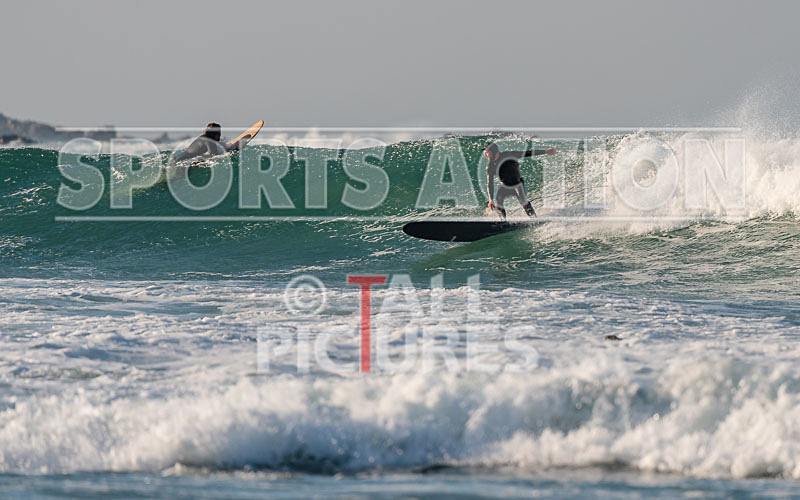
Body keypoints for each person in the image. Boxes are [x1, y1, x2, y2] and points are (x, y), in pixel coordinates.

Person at [484, 142, 556, 218]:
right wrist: (491, 199)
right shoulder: (490, 166)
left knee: (523, 201)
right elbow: (490, 183)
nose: (485, 154)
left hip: (517, 184)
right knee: (499, 200)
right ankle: (503, 221)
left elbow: (526, 153)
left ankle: (534, 218)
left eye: (487, 152)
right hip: (504, 185)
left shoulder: (508, 155)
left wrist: (545, 151)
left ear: (493, 151)